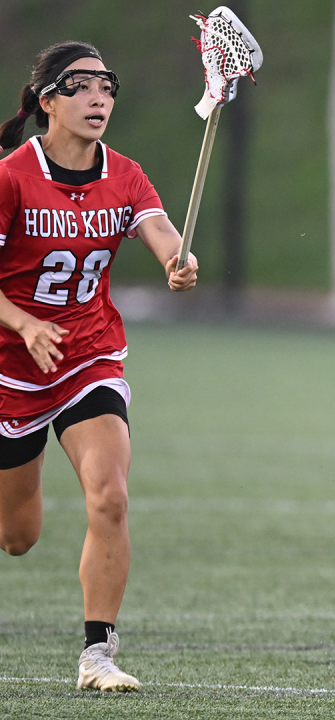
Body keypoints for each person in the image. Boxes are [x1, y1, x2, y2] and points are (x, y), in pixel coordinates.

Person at [0, 42, 198, 691]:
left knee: (109, 498)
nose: (98, 99)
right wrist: (26, 324)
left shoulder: (126, 174)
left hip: (89, 357)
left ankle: (98, 657)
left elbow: (161, 229)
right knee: (18, 538)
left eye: (107, 88)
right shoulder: (11, 177)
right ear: (46, 101)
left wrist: (178, 261)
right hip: (12, 370)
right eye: (81, 87)